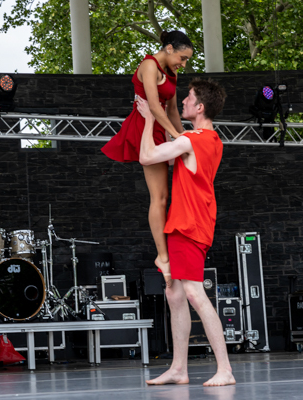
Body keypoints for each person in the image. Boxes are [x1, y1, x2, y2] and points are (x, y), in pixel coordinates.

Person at [137, 79, 236, 387]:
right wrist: (166, 115)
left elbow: (147, 156)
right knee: (175, 293)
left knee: (193, 293)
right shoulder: (209, 139)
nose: (184, 102)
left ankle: (225, 370)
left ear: (200, 107)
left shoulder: (193, 140)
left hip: (189, 226)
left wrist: (150, 117)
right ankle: (179, 368)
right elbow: (177, 139)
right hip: (189, 224)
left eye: (188, 99)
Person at [101, 31, 194, 287]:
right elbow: (154, 106)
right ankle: (163, 256)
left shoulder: (172, 73)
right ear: (169, 48)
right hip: (145, 128)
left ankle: (168, 252)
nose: (183, 64)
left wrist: (186, 138)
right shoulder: (149, 65)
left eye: (186, 60)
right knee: (160, 197)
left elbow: (173, 110)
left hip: (161, 129)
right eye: (182, 58)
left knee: (169, 195)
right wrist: (177, 137)